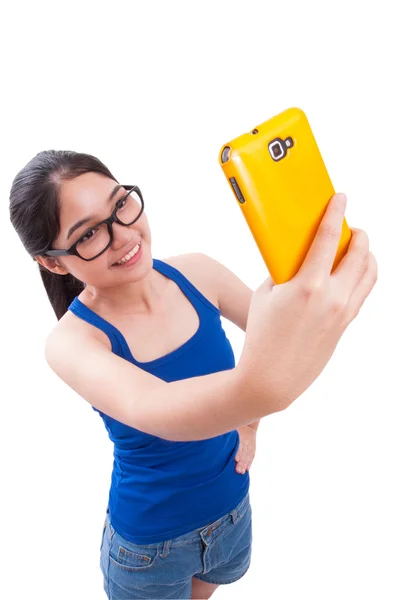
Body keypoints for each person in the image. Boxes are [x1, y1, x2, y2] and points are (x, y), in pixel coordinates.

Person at [8, 150, 377, 600]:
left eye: (120, 204)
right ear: (53, 262)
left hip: (232, 516)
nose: (123, 235)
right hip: (150, 550)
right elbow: (158, 409)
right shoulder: (71, 343)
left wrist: (251, 420)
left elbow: (274, 334)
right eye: (88, 234)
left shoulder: (198, 273)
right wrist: (264, 392)